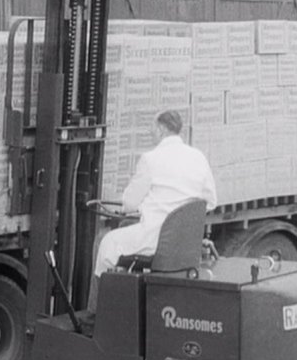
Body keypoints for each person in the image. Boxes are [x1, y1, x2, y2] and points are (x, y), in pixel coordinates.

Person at [88, 109, 217, 312]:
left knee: (106, 241)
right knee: (127, 228)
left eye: (152, 127)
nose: (150, 131)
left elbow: (129, 204)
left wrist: (146, 206)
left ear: (161, 129)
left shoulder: (151, 159)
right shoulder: (198, 157)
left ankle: (97, 314)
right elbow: (210, 201)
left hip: (155, 239)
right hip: (184, 243)